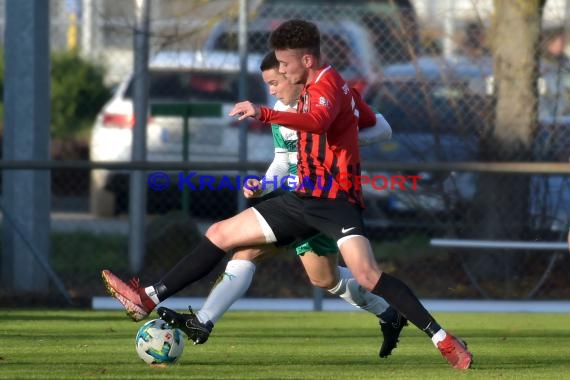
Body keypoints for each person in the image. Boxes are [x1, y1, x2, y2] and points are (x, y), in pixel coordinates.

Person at [102, 19, 473, 370]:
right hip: (298, 200)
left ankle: (442, 337)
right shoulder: (300, 97)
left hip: (335, 201)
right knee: (229, 237)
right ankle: (149, 297)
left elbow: (329, 123)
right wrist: (265, 184)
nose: (277, 78)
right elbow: (287, 154)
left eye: (281, 68)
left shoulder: (329, 88)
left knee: (366, 273)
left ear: (305, 62)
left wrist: (271, 116)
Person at [156, 51, 401, 358]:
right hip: (296, 199)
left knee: (244, 250)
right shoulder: (279, 109)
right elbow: (283, 161)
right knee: (324, 278)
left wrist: (341, 137)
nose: (271, 89)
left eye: (275, 80)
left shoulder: (327, 95)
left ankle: (201, 321)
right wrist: (265, 184)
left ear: (294, 72)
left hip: (326, 198)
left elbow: (383, 128)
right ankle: (390, 313)